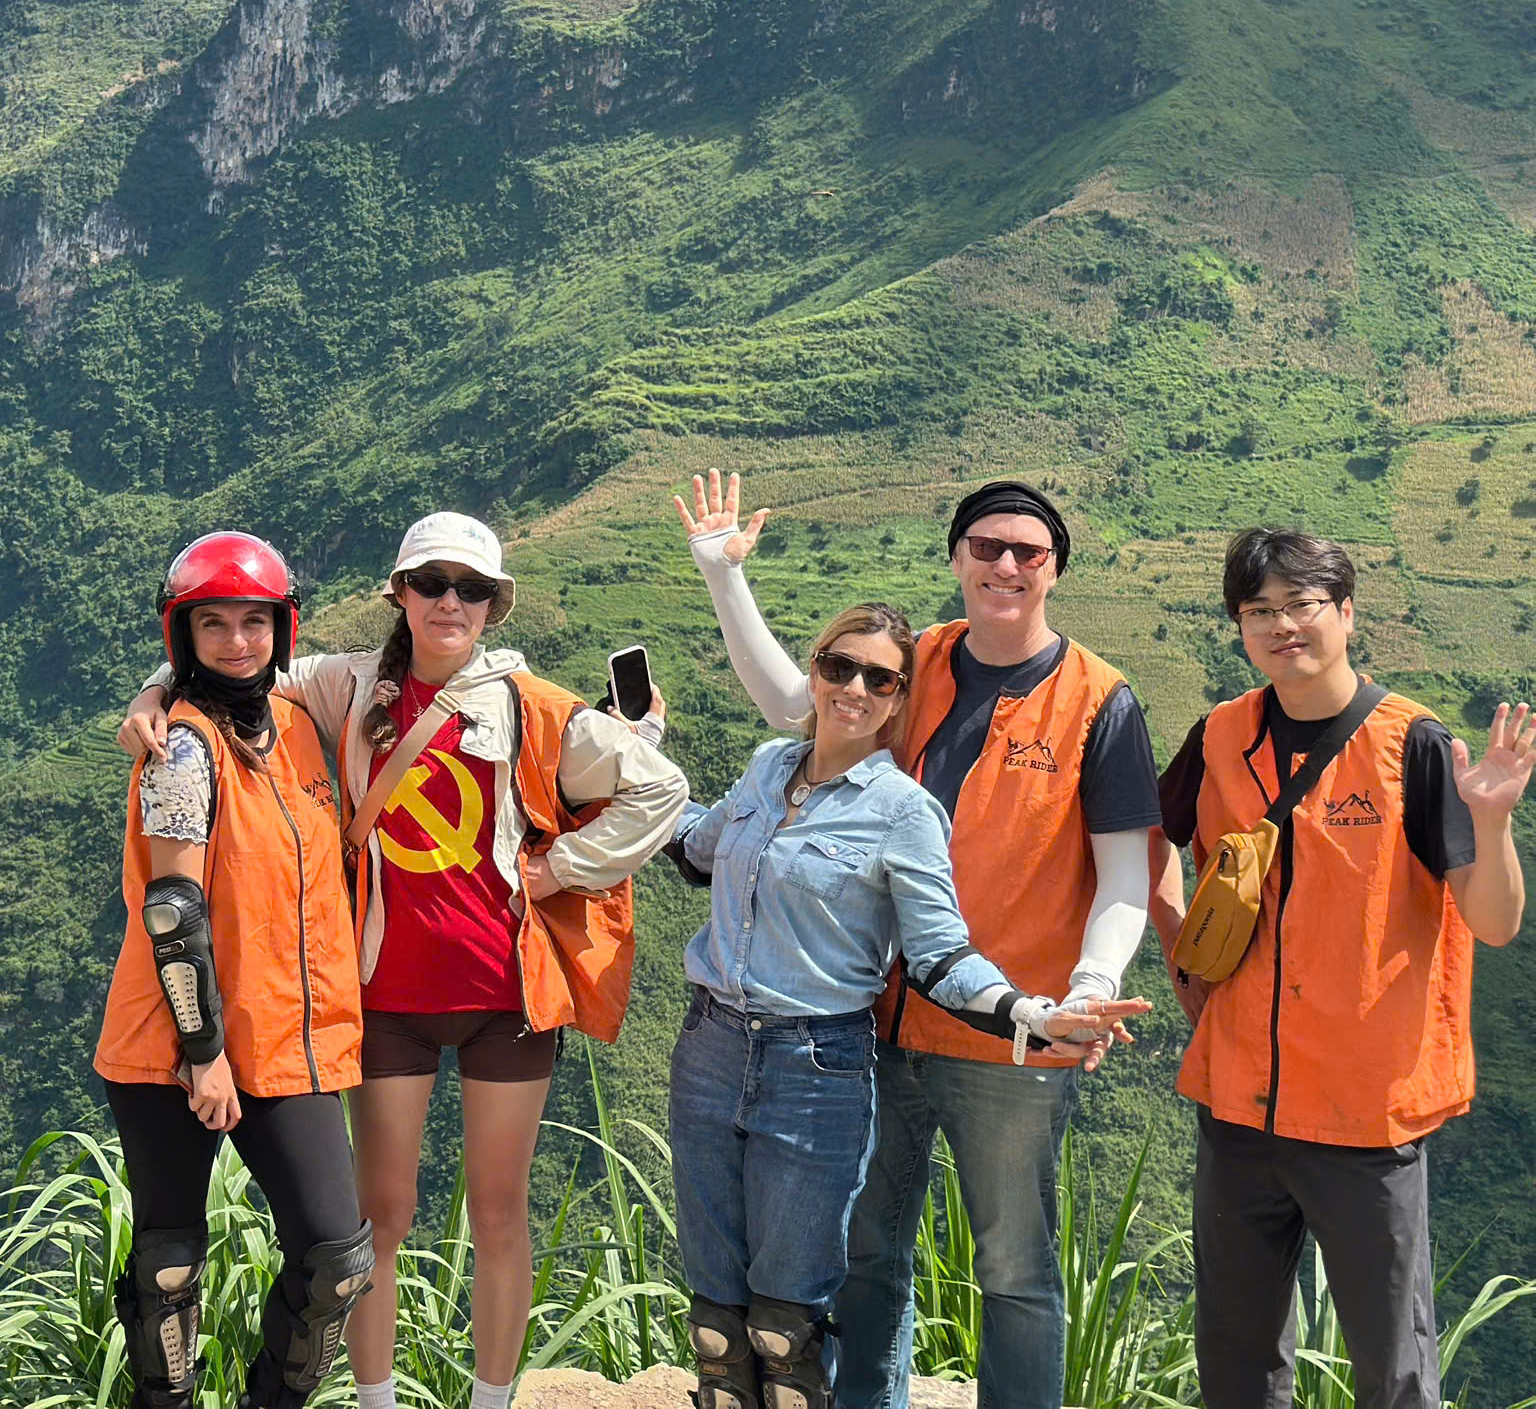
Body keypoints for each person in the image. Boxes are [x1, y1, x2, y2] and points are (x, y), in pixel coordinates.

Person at [124, 511, 686, 1409]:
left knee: (500, 1214)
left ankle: (493, 1400)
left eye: (470, 590)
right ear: (400, 593)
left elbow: (659, 786)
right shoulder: (346, 685)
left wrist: (560, 869)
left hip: (506, 993)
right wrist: (154, 699)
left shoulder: (529, 705)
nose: (449, 603)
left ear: (495, 605)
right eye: (431, 584)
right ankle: (378, 1400)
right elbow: (231, 654)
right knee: (376, 1222)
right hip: (383, 993)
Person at [676, 471, 1161, 1409]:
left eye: (1028, 552)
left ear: (1056, 568)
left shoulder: (1100, 700)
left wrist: (1089, 989)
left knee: (1015, 1269)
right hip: (872, 1021)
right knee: (866, 1257)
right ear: (956, 558)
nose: (1007, 566)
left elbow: (1125, 876)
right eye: (987, 548)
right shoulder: (915, 662)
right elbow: (796, 708)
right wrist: (724, 577)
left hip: (1014, 1029)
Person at [1149, 528, 1532, 1409]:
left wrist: (1497, 821)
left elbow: (1496, 921)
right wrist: (1181, 943)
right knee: (1237, 1363)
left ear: (1347, 613)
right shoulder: (1220, 735)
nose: (1282, 626)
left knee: (1393, 1371)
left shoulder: (1414, 745)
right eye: (1259, 612)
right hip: (1237, 1100)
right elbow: (1146, 835)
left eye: (1302, 605)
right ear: (1240, 628)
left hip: (1366, 1116)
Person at [94, 531, 373, 1409]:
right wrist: (202, 1051)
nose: (237, 641)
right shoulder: (179, 746)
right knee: (170, 1268)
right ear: (183, 634)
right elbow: (173, 915)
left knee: (335, 1259)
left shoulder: (297, 724)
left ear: (282, 630)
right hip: (178, 1040)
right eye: (212, 624)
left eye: (256, 621)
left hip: (291, 1039)